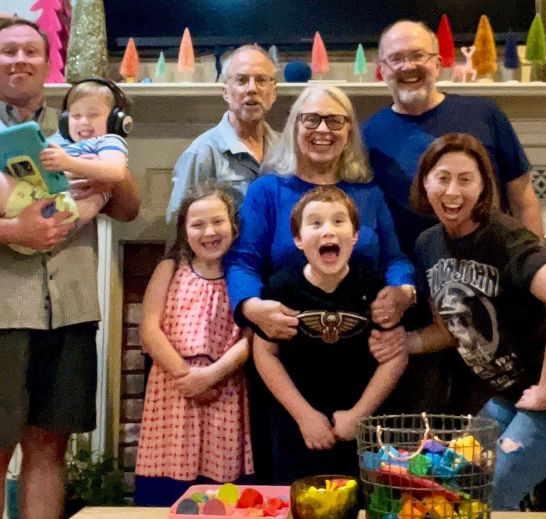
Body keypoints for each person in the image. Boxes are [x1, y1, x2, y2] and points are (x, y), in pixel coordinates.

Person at [0, 18, 140, 519]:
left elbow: (129, 206)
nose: (19, 59)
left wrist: (108, 161)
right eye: (8, 51)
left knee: (50, 448)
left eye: (31, 50)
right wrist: (15, 230)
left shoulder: (79, 123)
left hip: (71, 310)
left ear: (48, 64)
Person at [405, 132, 546, 510]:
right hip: (517, 387)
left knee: (493, 491)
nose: (453, 191)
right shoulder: (428, 244)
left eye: (465, 179)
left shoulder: (503, 236)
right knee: (454, 479)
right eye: (442, 178)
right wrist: (404, 343)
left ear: (483, 187)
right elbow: (450, 330)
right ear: (425, 183)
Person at [225, 84, 416, 340]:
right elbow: (242, 262)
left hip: (363, 338)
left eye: (335, 121)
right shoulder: (267, 191)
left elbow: (395, 259)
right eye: (311, 119)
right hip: (287, 337)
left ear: (349, 130)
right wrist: (251, 307)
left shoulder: (369, 192)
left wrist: (403, 290)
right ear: (295, 126)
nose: (323, 129)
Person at [253, 186, 407, 483]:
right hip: (297, 428)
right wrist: (304, 416)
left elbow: (396, 356)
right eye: (315, 223)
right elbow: (265, 353)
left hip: (361, 431)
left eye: (338, 221)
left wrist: (359, 415)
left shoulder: (375, 288)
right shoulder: (280, 288)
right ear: (298, 239)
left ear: (355, 235)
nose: (328, 230)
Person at [363, 20, 544, 255]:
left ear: (438, 64)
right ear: (382, 70)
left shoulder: (485, 114)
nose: (408, 66)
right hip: (417, 271)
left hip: (494, 266)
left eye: (418, 55)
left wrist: (535, 264)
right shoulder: (370, 134)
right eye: (396, 59)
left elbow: (523, 201)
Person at [135, 184, 252, 505]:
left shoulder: (241, 276)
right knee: (168, 496)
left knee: (221, 497)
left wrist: (211, 376)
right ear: (184, 232)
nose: (209, 232)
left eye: (217, 222)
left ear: (233, 226)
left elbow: (250, 338)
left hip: (223, 389)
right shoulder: (170, 268)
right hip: (173, 390)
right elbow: (150, 329)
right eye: (197, 224)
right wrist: (187, 377)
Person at [0, 78, 130, 261]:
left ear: (115, 120)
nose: (83, 122)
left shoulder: (108, 141)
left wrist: (69, 163)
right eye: (75, 116)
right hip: (41, 201)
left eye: (93, 115)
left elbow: (116, 171)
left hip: (59, 212)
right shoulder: (64, 141)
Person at [166, 44, 278, 222]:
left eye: (261, 80)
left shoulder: (287, 150)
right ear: (225, 92)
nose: (252, 89)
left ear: (273, 93)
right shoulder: (202, 153)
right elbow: (180, 223)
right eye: (241, 80)